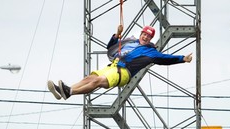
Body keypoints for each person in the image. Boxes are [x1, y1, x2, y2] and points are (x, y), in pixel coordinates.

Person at [47, 25, 193, 100]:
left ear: (151, 39)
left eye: (148, 36)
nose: (145, 37)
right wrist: (117, 34)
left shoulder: (151, 51)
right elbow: (111, 46)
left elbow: (165, 59)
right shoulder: (130, 41)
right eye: (144, 34)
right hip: (113, 66)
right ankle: (64, 91)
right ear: (141, 34)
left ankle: (70, 92)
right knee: (89, 78)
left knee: (98, 80)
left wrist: (182, 59)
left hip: (123, 73)